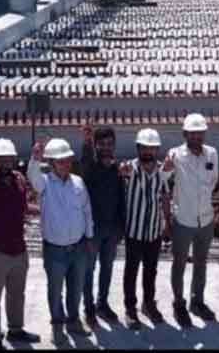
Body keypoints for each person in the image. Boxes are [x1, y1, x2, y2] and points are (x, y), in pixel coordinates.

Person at [28, 137, 95, 344]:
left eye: (67, 160)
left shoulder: (78, 182)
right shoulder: (44, 183)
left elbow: (86, 211)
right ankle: (57, 324)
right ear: (51, 163)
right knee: (55, 290)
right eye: (60, 161)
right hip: (54, 250)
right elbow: (33, 177)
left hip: (79, 247)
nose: (65, 164)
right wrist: (35, 159)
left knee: (76, 288)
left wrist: (89, 236)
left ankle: (73, 321)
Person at [0, 138, 41, 350]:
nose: (5, 164)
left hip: (18, 248)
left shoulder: (18, 180)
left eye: (8, 160)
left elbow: (23, 206)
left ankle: (15, 329)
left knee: (17, 293)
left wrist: (42, 208)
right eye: (0, 160)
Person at [164, 114, 219, 327]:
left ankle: (197, 301)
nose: (197, 137)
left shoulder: (212, 153)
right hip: (183, 219)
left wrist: (202, 193)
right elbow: (163, 178)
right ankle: (179, 303)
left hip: (205, 219)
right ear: (185, 134)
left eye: (200, 133)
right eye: (193, 133)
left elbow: (214, 179)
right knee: (179, 264)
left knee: (201, 263)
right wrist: (166, 169)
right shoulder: (175, 154)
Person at [119, 128, 173, 330]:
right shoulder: (130, 168)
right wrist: (121, 171)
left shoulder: (162, 171)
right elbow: (122, 173)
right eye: (144, 148)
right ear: (138, 148)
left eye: (152, 148)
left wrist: (167, 223)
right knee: (131, 271)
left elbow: (165, 197)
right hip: (134, 231)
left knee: (151, 271)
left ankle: (148, 304)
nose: (148, 151)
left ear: (157, 149)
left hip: (153, 231)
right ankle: (130, 308)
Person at [79, 122, 125, 326]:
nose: (106, 147)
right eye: (102, 144)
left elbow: (121, 199)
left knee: (107, 268)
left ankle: (102, 304)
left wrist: (121, 227)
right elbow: (86, 157)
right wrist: (87, 141)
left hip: (112, 230)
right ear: (96, 145)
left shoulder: (117, 169)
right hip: (92, 230)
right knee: (88, 270)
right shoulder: (90, 167)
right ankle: (89, 308)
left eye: (109, 144)